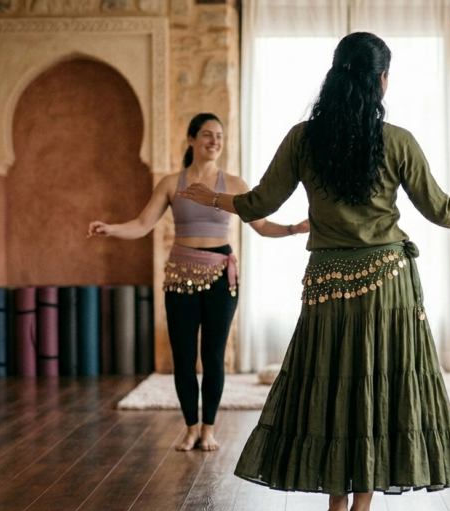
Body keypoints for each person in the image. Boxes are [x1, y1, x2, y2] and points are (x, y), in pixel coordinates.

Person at [179, 32, 450, 511]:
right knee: (373, 386)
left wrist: (211, 198)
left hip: (326, 286)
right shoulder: (397, 140)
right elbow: (445, 213)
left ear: (335, 76)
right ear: (381, 80)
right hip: (386, 284)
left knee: (331, 383)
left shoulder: (304, 138)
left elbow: (257, 205)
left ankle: (334, 507)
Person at [88, 113, 309, 452]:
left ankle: (209, 429)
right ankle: (190, 427)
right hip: (180, 276)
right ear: (191, 139)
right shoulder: (170, 183)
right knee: (184, 356)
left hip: (222, 278)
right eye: (207, 134)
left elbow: (262, 226)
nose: (214, 141)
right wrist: (111, 228)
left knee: (213, 355)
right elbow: (142, 224)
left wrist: (294, 228)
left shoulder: (233, 183)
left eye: (219, 136)